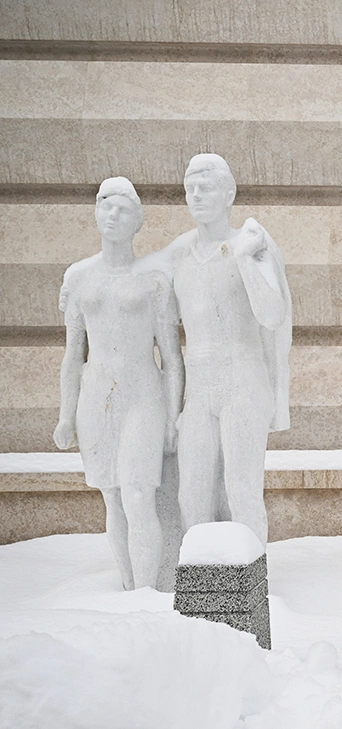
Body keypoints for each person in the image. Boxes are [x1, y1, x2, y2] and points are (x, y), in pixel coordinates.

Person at [54, 177, 185, 590]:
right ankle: (128, 587)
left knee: (138, 494)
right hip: (96, 397)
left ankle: (145, 592)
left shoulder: (154, 279)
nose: (112, 215)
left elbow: (172, 358)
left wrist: (173, 417)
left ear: (138, 221)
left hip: (143, 396)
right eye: (105, 205)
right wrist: (65, 416)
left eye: (123, 209)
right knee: (112, 496)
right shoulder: (78, 276)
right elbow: (72, 356)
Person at [159, 153, 292, 548]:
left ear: (229, 193)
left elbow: (272, 314)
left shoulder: (251, 242)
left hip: (243, 379)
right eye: (190, 189)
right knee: (192, 495)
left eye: (206, 187)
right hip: (200, 389)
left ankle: (250, 578)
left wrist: (245, 259)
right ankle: (203, 578)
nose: (196, 195)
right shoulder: (179, 253)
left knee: (241, 490)